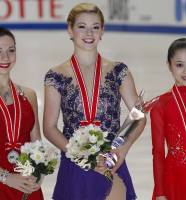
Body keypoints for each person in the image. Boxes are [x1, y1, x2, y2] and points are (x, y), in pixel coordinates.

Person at [43, 3, 146, 200]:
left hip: (111, 161)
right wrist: (79, 155)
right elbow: (49, 127)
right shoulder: (55, 75)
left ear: (102, 31)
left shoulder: (118, 71)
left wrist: (121, 151)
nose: (89, 33)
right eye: (82, 26)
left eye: (95, 27)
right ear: (70, 30)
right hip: (75, 165)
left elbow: (138, 116)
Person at [150, 38, 186, 200]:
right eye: (179, 65)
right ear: (169, 66)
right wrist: (160, 192)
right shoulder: (161, 105)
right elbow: (158, 152)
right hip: (175, 181)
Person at [0, 27, 44, 199]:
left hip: (26, 188)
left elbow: (37, 146)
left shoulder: (29, 95)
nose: (5, 57)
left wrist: (39, 173)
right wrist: (7, 177)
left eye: (11, 50)